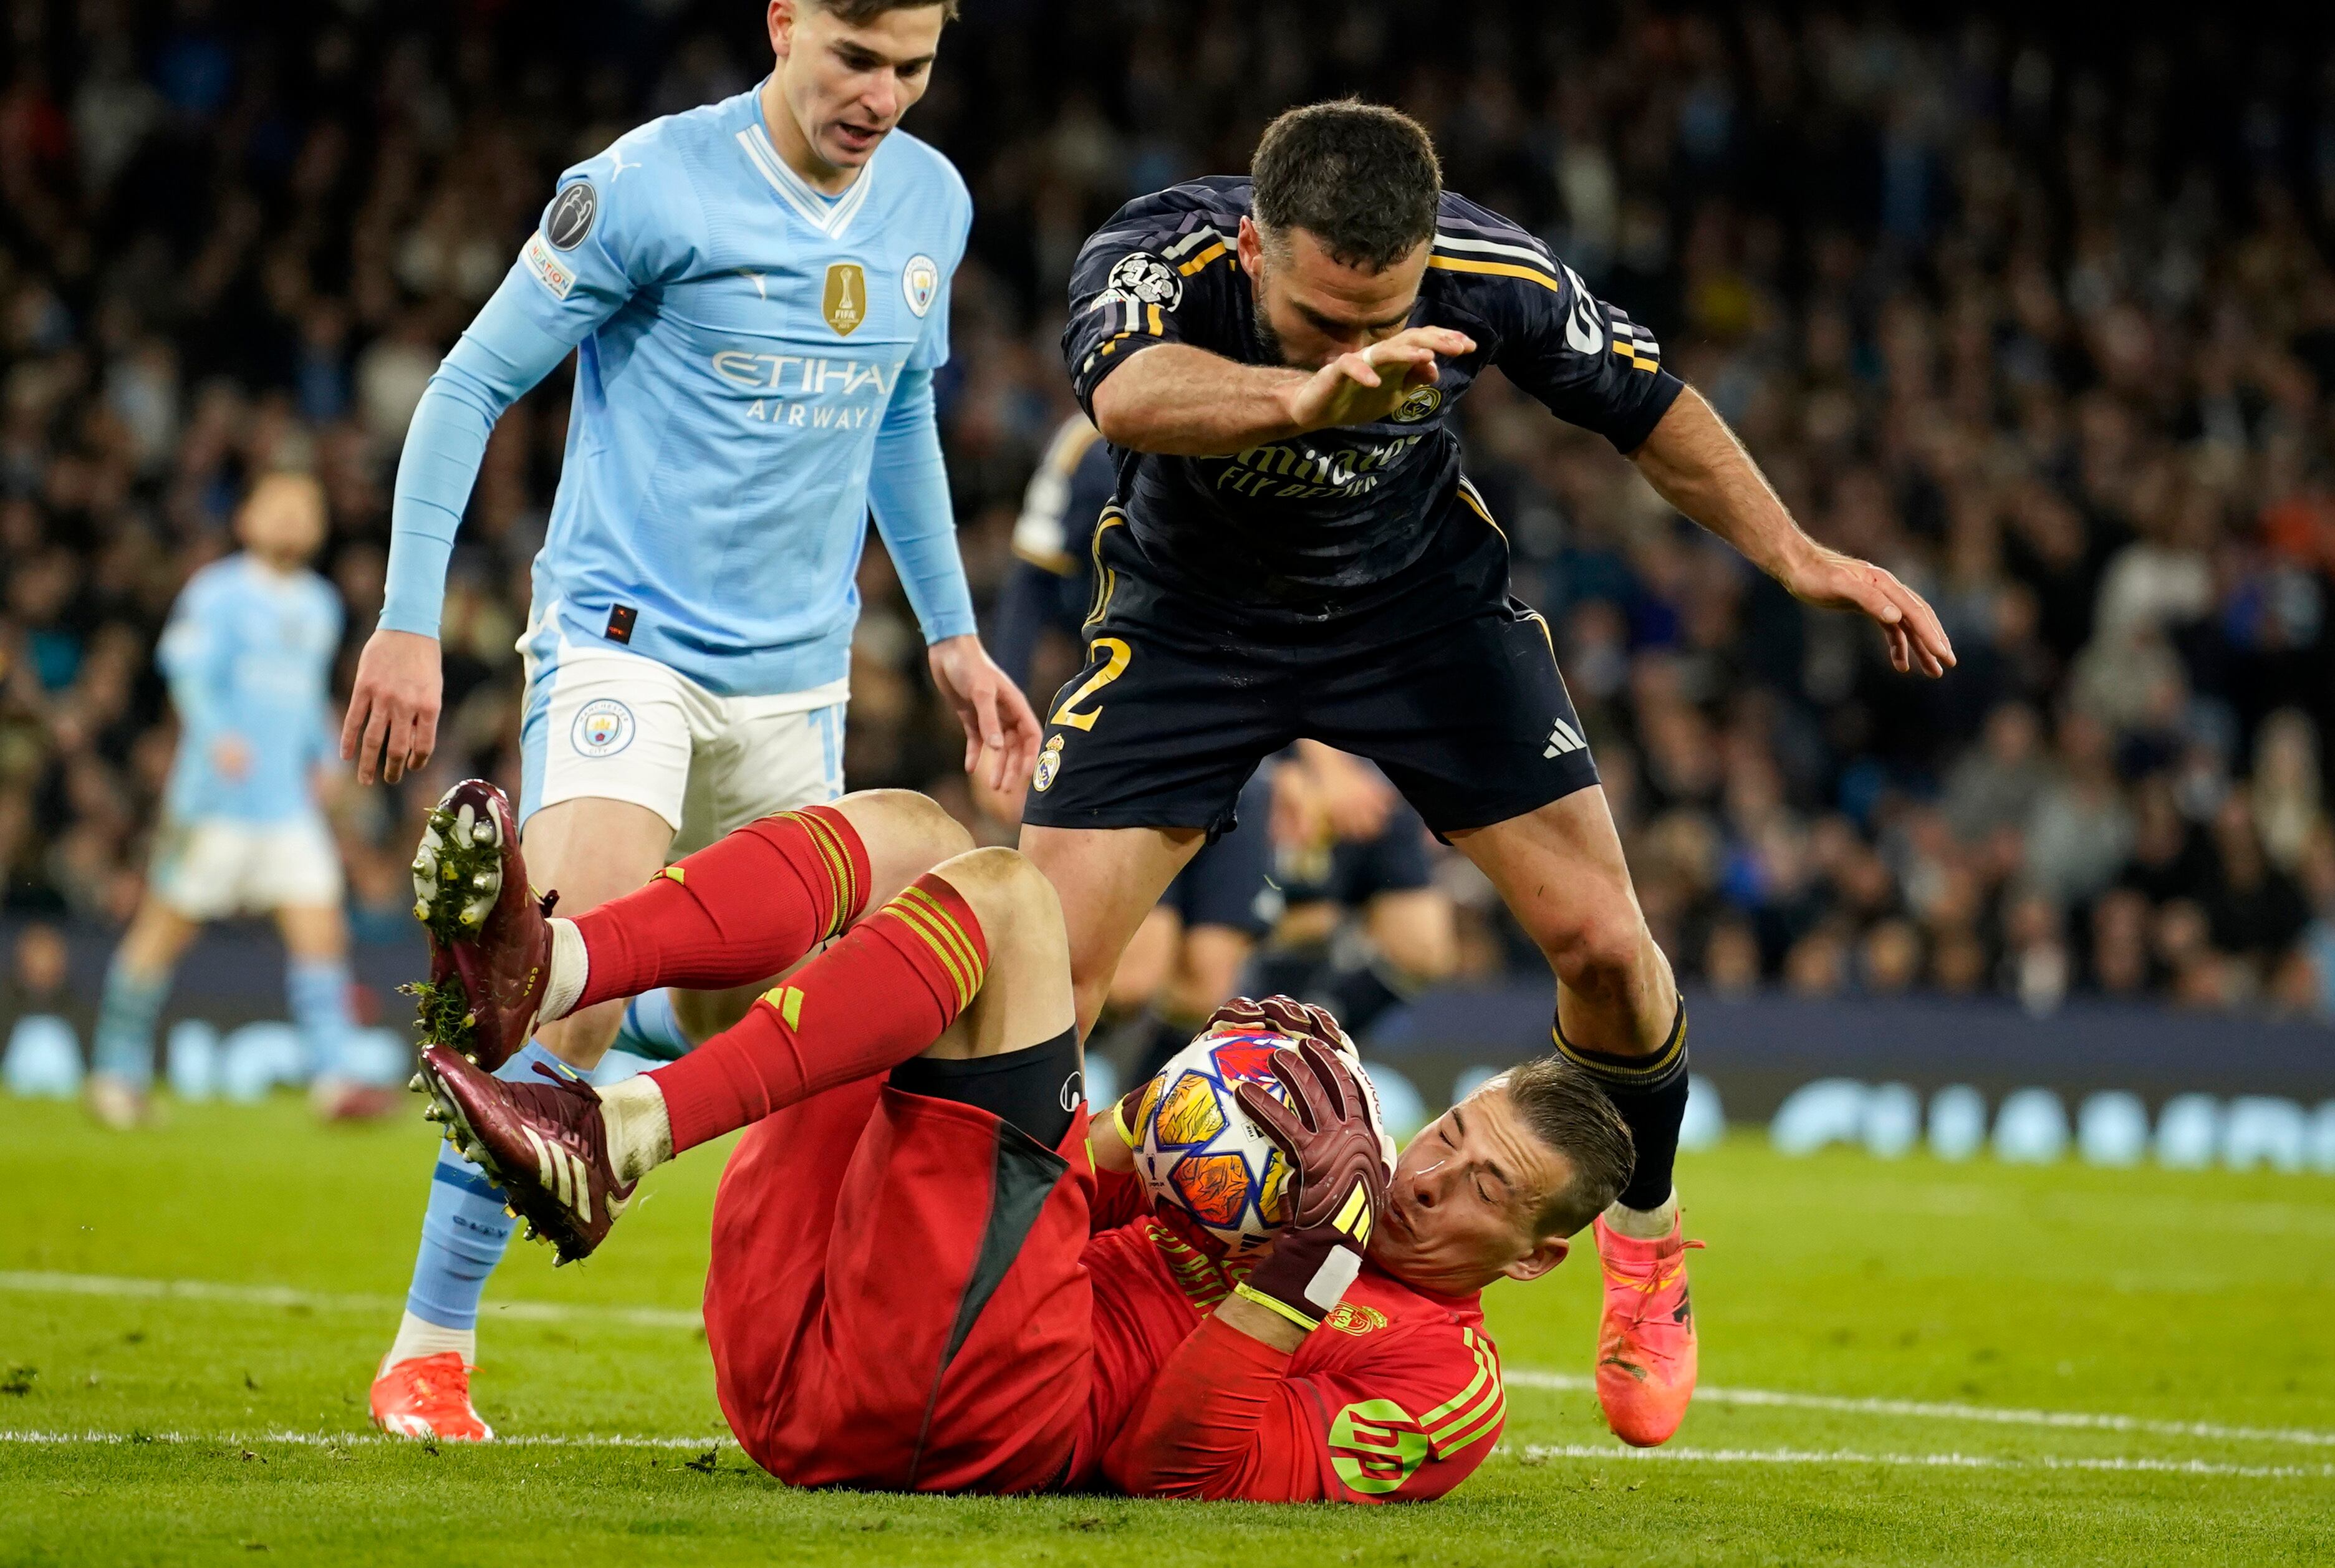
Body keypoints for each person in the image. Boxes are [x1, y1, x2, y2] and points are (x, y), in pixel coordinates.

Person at [1018, 101, 1956, 1447]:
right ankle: (995, 1276)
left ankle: (1646, 1243)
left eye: (1382, 317)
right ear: (1253, 245)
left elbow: (1652, 406)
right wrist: (1303, 395)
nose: (1362, 347)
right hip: (1192, 625)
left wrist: (1797, 554)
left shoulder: (1491, 268)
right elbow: (1127, 395)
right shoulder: (1153, 257)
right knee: (1039, 970)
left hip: (1421, 621)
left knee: (1606, 945)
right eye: (1323, 317)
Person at [352, 0, 1041, 1440]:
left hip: (797, 680)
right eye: (857, 57)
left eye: (913, 67)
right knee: (568, 975)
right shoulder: (650, 184)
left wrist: (956, 635)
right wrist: (411, 616)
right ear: (785, 22)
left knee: (755, 1024)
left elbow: (902, 412)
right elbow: (470, 382)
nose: (883, 96)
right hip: (624, 642)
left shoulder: (933, 198)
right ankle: (432, 1348)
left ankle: (661, 1101)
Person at [406, 776, 1635, 1501]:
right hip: (829, 1325)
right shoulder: (1328, 1146)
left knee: (1005, 895)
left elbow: (1176, 1468)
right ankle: (557, 964)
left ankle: (624, 1126)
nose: (1434, 1175)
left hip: (972, 1409)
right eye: (1456, 1134)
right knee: (916, 833)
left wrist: (1307, 1262)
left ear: (1533, 1257)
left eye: (1486, 1188)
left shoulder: (1450, 1393)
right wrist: (1168, 1124)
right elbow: (1065, 1194)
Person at [85, 474, 384, 1128]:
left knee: (321, 929)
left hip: (286, 807)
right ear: (246, 518)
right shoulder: (216, 591)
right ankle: (114, 1072)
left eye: (305, 508)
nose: (291, 519)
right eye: (277, 506)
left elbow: (306, 693)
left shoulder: (319, 604)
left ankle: (334, 1080)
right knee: (163, 931)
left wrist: (320, 757)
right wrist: (218, 736)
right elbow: (188, 674)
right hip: (213, 802)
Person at [996, 412, 1279, 1084]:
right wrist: (1002, 719)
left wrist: (1302, 760)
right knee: (1126, 979)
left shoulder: (1275, 430)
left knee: (1207, 979)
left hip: (1241, 736)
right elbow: (1031, 580)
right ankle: (1035, 1105)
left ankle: (1119, 1138)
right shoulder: (1090, 440)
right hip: (1129, 723)